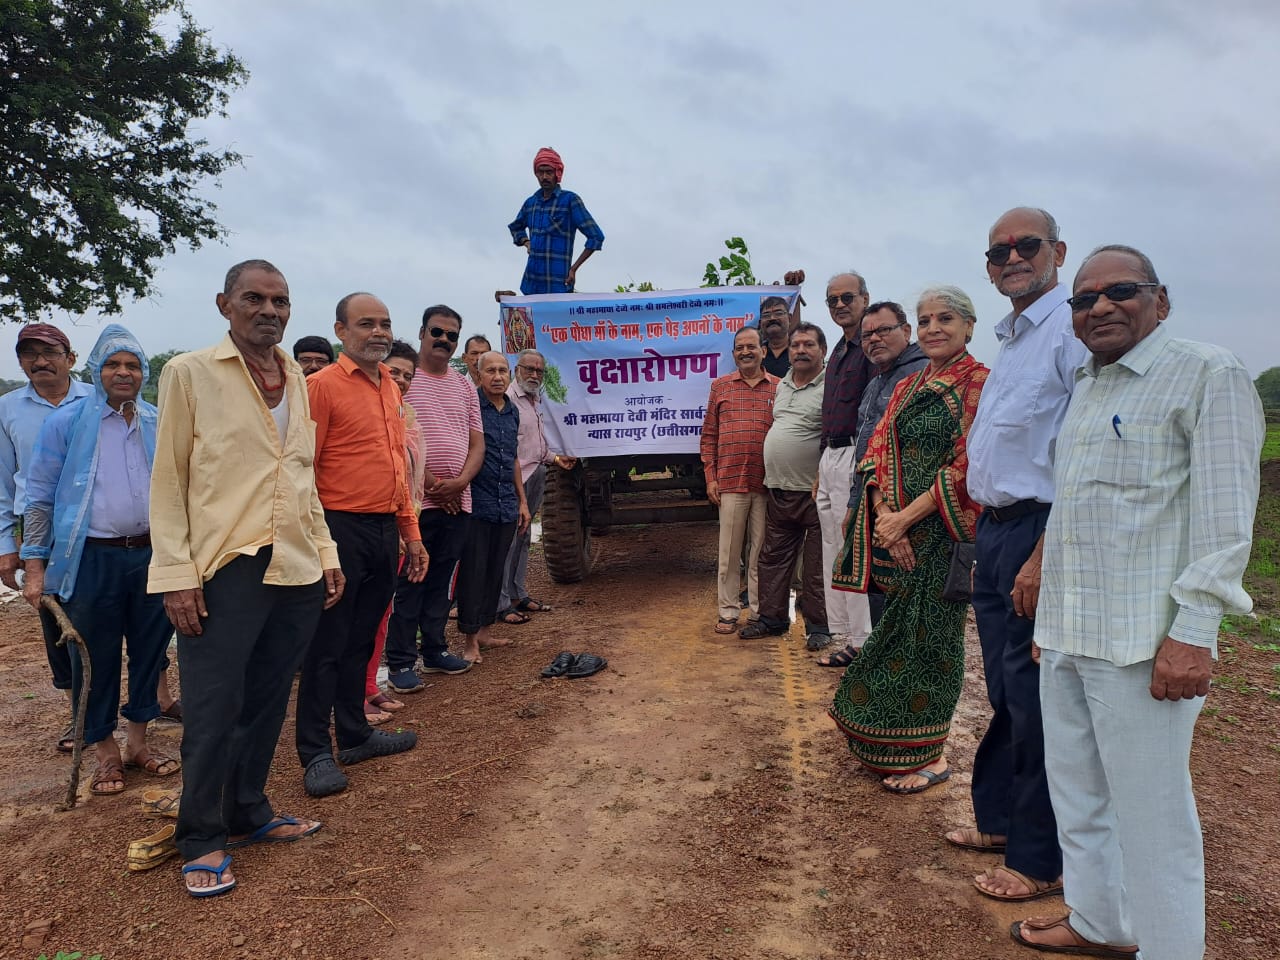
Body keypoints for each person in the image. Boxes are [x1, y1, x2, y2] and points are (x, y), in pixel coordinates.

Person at [1011, 246, 1264, 960]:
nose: (1099, 307)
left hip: (1143, 643)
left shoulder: (1206, 373)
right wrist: (1051, 614)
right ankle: (1101, 923)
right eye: (1083, 299)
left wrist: (1195, 631)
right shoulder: (1087, 385)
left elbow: (1225, 522)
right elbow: (1074, 507)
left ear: (1161, 300)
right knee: (1078, 796)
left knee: (1154, 820)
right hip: (1071, 632)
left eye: (1119, 291)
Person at [148, 259, 343, 898]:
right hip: (225, 567)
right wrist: (176, 574)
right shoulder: (190, 373)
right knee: (213, 707)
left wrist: (326, 552)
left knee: (265, 700)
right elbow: (169, 480)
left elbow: (302, 478)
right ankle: (200, 835)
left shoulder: (298, 378)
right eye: (254, 298)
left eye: (279, 301)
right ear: (224, 304)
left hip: (296, 565)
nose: (269, 311)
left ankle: (249, 810)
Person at [946, 207, 1086, 903]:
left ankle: (1041, 859)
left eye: (1026, 245)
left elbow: (1083, 456)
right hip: (997, 532)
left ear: (1057, 250)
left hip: (1040, 530)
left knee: (1034, 698)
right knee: (1005, 690)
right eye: (998, 251)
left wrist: (1044, 554)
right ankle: (1001, 822)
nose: (1011, 258)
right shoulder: (1015, 338)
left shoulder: (1069, 332)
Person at [829, 286, 988, 794]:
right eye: (925, 320)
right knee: (893, 638)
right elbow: (875, 450)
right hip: (892, 535)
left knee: (931, 642)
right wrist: (884, 515)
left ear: (969, 327)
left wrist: (906, 519)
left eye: (945, 319)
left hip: (940, 538)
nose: (933, 328)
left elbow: (969, 464)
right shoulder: (906, 385)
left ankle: (931, 755)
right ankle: (889, 744)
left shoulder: (980, 384)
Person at [20, 325, 178, 796]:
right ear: (95, 370)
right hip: (90, 559)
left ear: (144, 372)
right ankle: (105, 751)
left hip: (151, 554)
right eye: (112, 364)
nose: (123, 373)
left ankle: (138, 743)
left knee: (150, 650)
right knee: (93, 654)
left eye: (132, 365)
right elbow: (39, 497)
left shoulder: (156, 421)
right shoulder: (67, 423)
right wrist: (34, 566)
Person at [295, 293, 424, 798]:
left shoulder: (390, 385)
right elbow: (302, 469)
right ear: (340, 330)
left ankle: (353, 734)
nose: (379, 332)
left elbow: (396, 467)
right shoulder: (321, 387)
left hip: (384, 528)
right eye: (366, 323)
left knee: (362, 639)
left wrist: (410, 534)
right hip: (338, 528)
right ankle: (314, 752)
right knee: (326, 645)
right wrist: (319, 543)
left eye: (385, 323)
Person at [817, 300, 927, 668]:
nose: (875, 339)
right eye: (868, 335)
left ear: (906, 331)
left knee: (906, 590)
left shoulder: (921, 374)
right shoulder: (878, 380)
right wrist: (857, 502)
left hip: (908, 507)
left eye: (883, 330)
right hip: (873, 496)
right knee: (875, 580)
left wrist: (890, 510)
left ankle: (899, 670)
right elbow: (870, 446)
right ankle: (873, 655)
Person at [0, 323, 94, 748]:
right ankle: (80, 715)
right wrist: (7, 545)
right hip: (44, 532)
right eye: (30, 354)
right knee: (59, 620)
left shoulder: (97, 398)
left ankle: (156, 700)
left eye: (50, 353)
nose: (40, 362)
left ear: (70, 358)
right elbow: (4, 481)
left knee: (132, 611)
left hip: (99, 526)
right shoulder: (8, 409)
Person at [384, 305, 483, 693]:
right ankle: (400, 660)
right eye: (437, 332)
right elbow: (398, 437)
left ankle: (435, 650)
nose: (444, 340)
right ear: (423, 332)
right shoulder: (403, 378)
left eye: (451, 335)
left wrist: (459, 483)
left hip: (460, 501)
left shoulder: (464, 385)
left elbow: (477, 442)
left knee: (442, 581)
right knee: (411, 580)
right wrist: (432, 484)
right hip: (416, 504)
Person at [740, 323, 829, 645]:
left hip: (815, 491)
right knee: (773, 557)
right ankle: (772, 619)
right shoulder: (784, 384)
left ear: (823, 350)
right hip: (779, 487)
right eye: (795, 345)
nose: (800, 350)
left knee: (816, 565)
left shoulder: (831, 385)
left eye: (808, 344)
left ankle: (819, 628)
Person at [813, 271, 877, 654]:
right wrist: (821, 465)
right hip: (830, 457)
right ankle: (845, 634)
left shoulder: (871, 344)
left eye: (847, 298)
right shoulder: (838, 351)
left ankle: (865, 641)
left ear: (864, 299)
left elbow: (874, 412)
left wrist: (866, 467)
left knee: (855, 546)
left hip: (856, 455)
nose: (840, 305)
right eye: (833, 300)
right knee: (832, 546)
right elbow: (829, 411)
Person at [701, 326, 779, 634]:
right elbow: (709, 436)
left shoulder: (780, 387)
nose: (745, 352)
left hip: (767, 483)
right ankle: (728, 611)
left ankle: (759, 611)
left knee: (760, 552)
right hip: (730, 481)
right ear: (733, 354)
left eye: (751, 346)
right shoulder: (720, 387)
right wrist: (711, 478)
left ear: (763, 351)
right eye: (739, 348)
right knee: (729, 553)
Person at [364, 340, 423, 723]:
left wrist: (409, 531)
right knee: (358, 620)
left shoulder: (408, 418)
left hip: (399, 527)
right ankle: (352, 696)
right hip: (361, 528)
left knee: (381, 614)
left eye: (407, 375)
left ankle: (370, 685)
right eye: (394, 371)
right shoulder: (367, 413)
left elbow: (410, 482)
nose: (400, 379)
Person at [457, 352, 530, 663]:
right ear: (479, 373)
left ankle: (486, 631)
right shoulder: (471, 407)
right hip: (476, 503)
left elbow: (513, 459)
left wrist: (522, 501)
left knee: (495, 570)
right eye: (491, 371)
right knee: (473, 572)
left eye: (502, 370)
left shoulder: (512, 411)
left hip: (506, 505)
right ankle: (470, 640)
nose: (497, 377)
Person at [497, 348, 573, 624]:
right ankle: (501, 603)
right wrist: (517, 493)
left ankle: (518, 593)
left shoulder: (534, 399)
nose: (534, 374)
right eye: (529, 369)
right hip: (514, 479)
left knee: (524, 537)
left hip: (536, 473)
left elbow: (534, 445)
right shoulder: (507, 400)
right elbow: (509, 451)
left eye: (539, 370)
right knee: (508, 540)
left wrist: (555, 458)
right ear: (517, 370)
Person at [508, 147, 605, 295]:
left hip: (559, 285)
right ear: (536, 174)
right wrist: (526, 242)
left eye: (549, 172)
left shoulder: (570, 200)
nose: (544, 177)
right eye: (541, 172)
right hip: (531, 285)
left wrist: (573, 269)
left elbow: (596, 236)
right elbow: (516, 227)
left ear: (557, 173)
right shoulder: (531, 203)